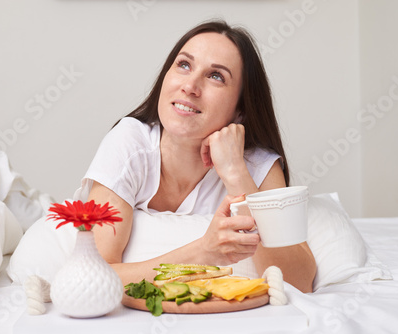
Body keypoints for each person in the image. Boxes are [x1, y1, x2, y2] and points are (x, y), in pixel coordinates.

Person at [74, 20, 316, 292]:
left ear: (241, 110)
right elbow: (91, 277)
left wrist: (237, 174)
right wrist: (204, 252)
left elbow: (300, 281)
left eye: (216, 76)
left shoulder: (257, 166)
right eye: (184, 65)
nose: (190, 86)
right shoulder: (128, 142)